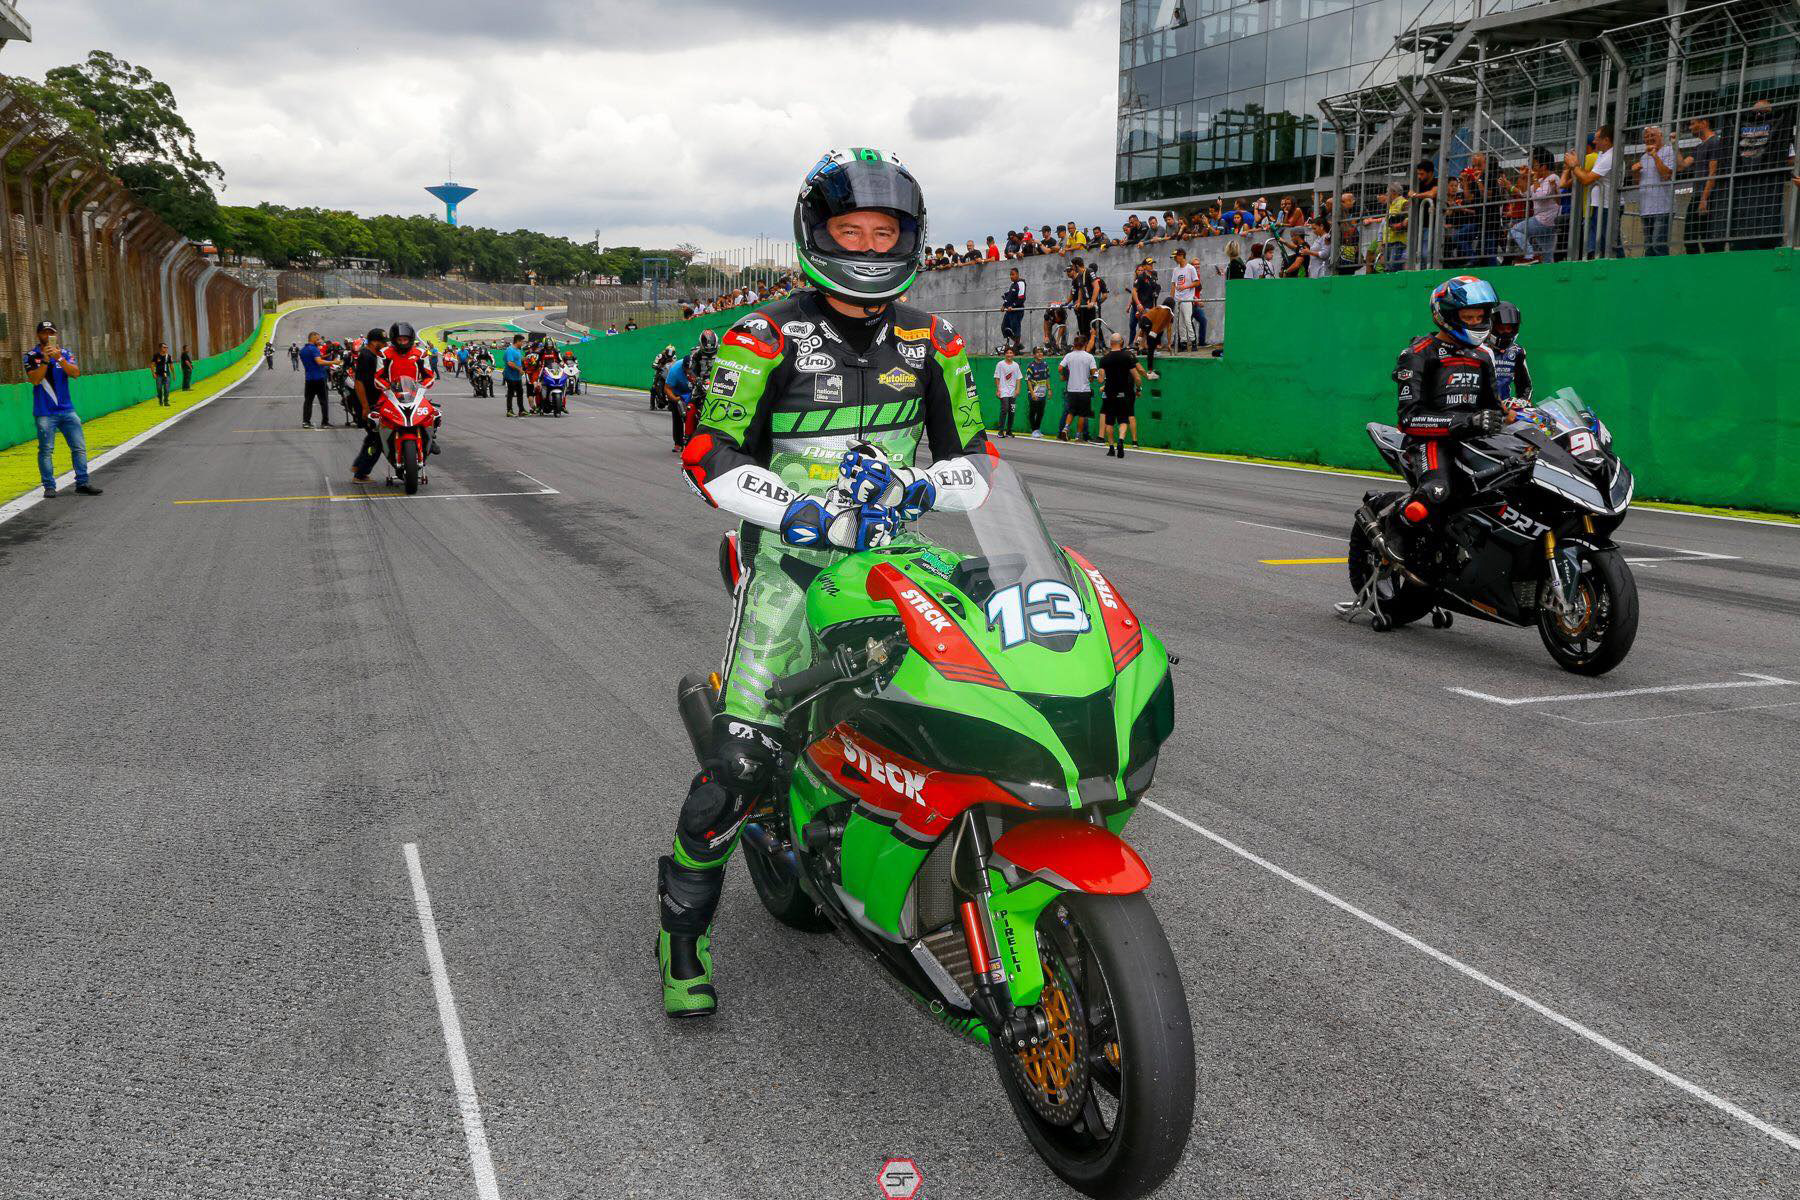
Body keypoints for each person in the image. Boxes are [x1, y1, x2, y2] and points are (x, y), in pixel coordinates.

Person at [660, 148, 988, 1018]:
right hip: (790, 570)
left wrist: (926, 486)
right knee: (738, 765)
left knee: (973, 701)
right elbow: (709, 452)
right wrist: (797, 513)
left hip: (895, 561)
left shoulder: (933, 339)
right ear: (817, 233)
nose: (872, 245)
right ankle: (682, 934)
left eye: (887, 231)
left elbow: (977, 461)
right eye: (853, 230)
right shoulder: (759, 337)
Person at [1370, 276, 1503, 567]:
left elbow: (1494, 407)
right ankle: (1395, 526)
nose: (1477, 321)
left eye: (1480, 316)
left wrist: (1513, 414)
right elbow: (1408, 419)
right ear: (1446, 316)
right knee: (1436, 491)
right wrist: (1465, 423)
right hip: (1429, 441)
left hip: (1475, 440)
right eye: (1469, 316)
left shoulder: (1484, 355)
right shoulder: (1417, 354)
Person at [25, 320, 101, 498]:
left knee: (79, 447)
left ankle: (82, 482)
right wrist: (45, 360)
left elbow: (75, 373)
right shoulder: (30, 355)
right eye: (44, 333)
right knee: (46, 450)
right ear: (38, 335)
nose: (48, 336)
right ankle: (49, 486)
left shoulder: (65, 353)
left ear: (56, 335)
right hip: (45, 412)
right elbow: (35, 380)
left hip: (67, 410)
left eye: (51, 332)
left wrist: (59, 358)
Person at [1563, 126, 1616, 256]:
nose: (1594, 142)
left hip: (1607, 206)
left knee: (1608, 243)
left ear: (1607, 140)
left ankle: (1619, 268)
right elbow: (1586, 175)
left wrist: (1574, 165)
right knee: (1602, 243)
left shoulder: (1611, 156)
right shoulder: (1602, 155)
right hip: (1600, 205)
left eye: (1597, 139)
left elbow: (1586, 179)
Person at [1680, 115, 1728, 254]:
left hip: (1710, 196)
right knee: (1690, 237)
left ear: (1704, 123)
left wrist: (1704, 198)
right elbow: (1682, 165)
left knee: (1709, 238)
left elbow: (1713, 172)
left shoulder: (1715, 143)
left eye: (1692, 123)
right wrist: (1674, 145)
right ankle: (1695, 269)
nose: (1690, 127)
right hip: (1698, 196)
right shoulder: (1699, 147)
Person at [1098, 331, 1145, 458]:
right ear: (1121, 343)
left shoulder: (1104, 359)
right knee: (1124, 420)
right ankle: (1121, 440)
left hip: (1109, 395)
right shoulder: (1127, 357)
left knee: (1109, 422)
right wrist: (1139, 388)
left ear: (1110, 343)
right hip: (1124, 394)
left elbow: (1101, 380)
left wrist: (1100, 376)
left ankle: (1112, 447)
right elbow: (1137, 377)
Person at [1631, 125, 1676, 256]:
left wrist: (1655, 155)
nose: (1649, 139)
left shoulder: (1668, 151)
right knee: (1649, 249)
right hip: (1645, 208)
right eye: (1646, 137)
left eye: (1652, 135)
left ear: (1660, 136)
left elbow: (1666, 175)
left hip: (1663, 208)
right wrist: (1635, 172)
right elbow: (1637, 183)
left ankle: (1663, 274)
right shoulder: (1643, 157)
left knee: (1658, 246)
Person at [350, 328, 388, 483]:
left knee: (373, 436)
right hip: (367, 403)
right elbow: (359, 382)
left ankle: (358, 466)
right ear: (374, 342)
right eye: (382, 342)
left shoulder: (373, 355)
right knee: (377, 440)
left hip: (374, 402)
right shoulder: (366, 356)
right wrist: (365, 406)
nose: (384, 345)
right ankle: (360, 473)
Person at [1488, 301, 1532, 405]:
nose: (1506, 332)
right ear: (1491, 326)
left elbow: (1525, 385)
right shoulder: (1479, 349)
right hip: (1480, 410)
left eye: (1509, 328)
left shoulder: (1517, 351)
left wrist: (1522, 403)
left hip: (1505, 411)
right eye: (1501, 328)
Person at [1057, 337, 1098, 442]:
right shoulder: (1089, 357)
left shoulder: (1069, 356)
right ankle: (1078, 436)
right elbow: (1094, 372)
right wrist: (1092, 377)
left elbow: (1060, 368)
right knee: (1082, 414)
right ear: (1084, 344)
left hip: (1071, 389)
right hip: (1084, 390)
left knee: (1071, 412)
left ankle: (1065, 429)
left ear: (1074, 344)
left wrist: (1066, 376)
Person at [298, 331, 337, 428]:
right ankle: (325, 422)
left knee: (308, 401)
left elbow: (315, 359)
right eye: (318, 339)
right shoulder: (314, 349)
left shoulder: (303, 350)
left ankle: (306, 422)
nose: (320, 341)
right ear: (313, 338)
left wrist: (327, 356)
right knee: (324, 401)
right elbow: (319, 361)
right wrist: (335, 362)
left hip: (309, 378)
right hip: (319, 378)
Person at [1169, 247, 1199, 350]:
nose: (1175, 259)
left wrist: (1185, 287)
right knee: (1180, 322)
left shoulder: (1190, 268)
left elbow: (1197, 282)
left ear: (1181, 256)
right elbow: (1173, 284)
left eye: (1176, 257)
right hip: (1178, 299)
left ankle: (1193, 341)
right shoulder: (1175, 270)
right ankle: (1183, 343)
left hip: (1187, 298)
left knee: (1187, 320)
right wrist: (1171, 299)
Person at [993, 347, 1023, 437]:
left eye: (1011, 353)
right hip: (1003, 391)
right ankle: (1000, 431)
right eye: (1007, 353)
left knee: (1012, 411)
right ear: (1005, 354)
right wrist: (998, 389)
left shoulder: (1016, 365)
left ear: (1013, 354)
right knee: (1004, 409)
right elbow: (997, 378)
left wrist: (1017, 390)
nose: (1009, 354)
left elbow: (1018, 379)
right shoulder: (1000, 364)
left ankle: (1009, 431)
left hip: (1013, 392)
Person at [1023, 345, 1051, 438]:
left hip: (1043, 393)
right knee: (1033, 411)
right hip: (1033, 392)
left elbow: (1047, 378)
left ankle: (1038, 429)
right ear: (1034, 355)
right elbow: (1028, 380)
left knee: (1041, 412)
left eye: (1041, 352)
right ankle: (1034, 430)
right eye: (1038, 352)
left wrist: (1049, 389)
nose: (1040, 354)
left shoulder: (1045, 364)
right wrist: (1032, 393)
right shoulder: (1030, 366)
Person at [999, 267, 1026, 353]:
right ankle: (1018, 343)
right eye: (1010, 275)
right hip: (1009, 311)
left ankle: (1016, 347)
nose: (1011, 276)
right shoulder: (1012, 285)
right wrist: (1004, 305)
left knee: (1016, 328)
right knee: (1004, 327)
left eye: (1013, 274)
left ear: (1017, 274)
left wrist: (1013, 306)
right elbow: (1009, 297)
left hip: (1017, 310)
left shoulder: (1021, 283)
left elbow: (1022, 298)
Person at [502, 334, 527, 416]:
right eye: (522, 342)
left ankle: (521, 410)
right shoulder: (510, 350)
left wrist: (527, 358)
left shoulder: (518, 350)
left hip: (517, 376)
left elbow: (518, 359)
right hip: (510, 375)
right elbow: (510, 363)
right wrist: (520, 369)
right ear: (517, 341)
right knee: (511, 393)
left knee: (520, 392)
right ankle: (509, 411)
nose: (523, 344)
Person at [151, 342, 174, 406]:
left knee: (166, 388)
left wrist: (173, 374)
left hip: (167, 374)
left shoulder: (168, 356)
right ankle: (160, 399)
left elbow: (171, 365)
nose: (166, 348)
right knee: (159, 388)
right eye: (164, 347)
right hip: (158, 375)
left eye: (167, 347)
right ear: (160, 348)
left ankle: (166, 401)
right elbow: (152, 365)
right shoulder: (156, 355)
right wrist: (153, 373)